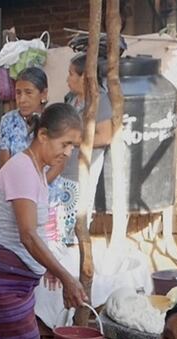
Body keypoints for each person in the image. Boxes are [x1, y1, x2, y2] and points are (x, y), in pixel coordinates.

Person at [0, 104, 89, 339]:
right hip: (4, 284)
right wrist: (66, 276)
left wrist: (46, 267)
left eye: (73, 146)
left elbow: (34, 235)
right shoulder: (22, 169)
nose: (68, 152)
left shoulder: (36, 170)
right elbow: (28, 235)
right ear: (42, 135)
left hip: (15, 282)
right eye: (64, 143)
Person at [63, 53, 113, 231]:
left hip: (82, 172)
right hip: (64, 170)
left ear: (84, 77)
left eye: (71, 74)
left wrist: (75, 140)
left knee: (76, 219)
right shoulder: (71, 99)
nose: (67, 79)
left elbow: (106, 136)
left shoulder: (100, 101)